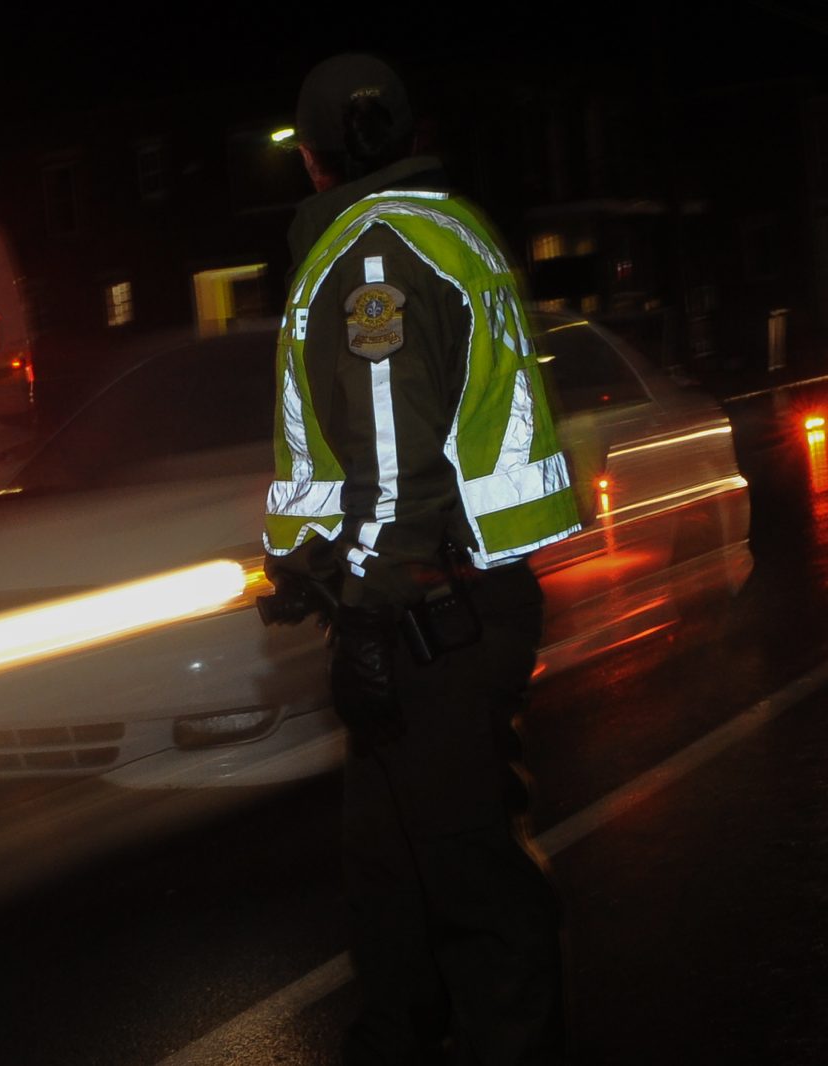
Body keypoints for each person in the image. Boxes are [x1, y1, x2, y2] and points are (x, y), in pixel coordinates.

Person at [261, 53, 581, 1065]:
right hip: (447, 599)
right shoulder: (449, 225)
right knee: (388, 871)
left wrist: (363, 607)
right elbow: (408, 440)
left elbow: (394, 467)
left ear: (312, 158)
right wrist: (314, 564)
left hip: (426, 614)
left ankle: (510, 1044)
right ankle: (395, 1037)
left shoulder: (371, 254)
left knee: (465, 878)